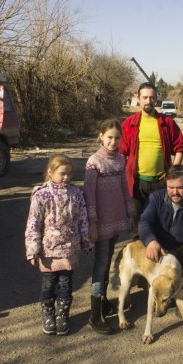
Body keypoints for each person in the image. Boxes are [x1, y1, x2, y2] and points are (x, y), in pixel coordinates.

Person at [25, 154, 92, 335]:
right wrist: (33, 250)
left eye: (69, 174)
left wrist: (86, 242)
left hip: (69, 249)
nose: (66, 178)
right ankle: (48, 313)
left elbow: (83, 220)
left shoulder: (76, 194)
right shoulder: (42, 195)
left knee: (65, 284)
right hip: (48, 252)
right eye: (62, 173)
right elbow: (33, 224)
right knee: (48, 284)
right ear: (50, 172)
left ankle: (63, 314)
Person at [84, 119, 136, 335]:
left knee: (106, 262)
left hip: (117, 219)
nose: (113, 142)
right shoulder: (94, 162)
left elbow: (125, 187)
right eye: (109, 137)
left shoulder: (120, 160)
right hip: (101, 222)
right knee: (100, 265)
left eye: (117, 138)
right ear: (101, 136)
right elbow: (89, 195)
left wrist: (130, 212)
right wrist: (93, 223)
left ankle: (104, 301)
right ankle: (95, 315)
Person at [119, 82, 183, 219]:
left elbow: (179, 148)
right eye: (144, 97)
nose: (148, 101)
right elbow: (121, 153)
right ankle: (138, 240)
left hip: (161, 183)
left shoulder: (167, 123)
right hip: (136, 183)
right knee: (136, 221)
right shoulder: (129, 124)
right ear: (139, 99)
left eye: (151, 97)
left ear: (156, 99)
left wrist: (172, 170)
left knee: (160, 221)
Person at [139, 165, 183, 290]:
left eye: (180, 187)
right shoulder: (155, 198)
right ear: (166, 184)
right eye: (171, 187)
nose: (175, 192)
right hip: (160, 247)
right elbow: (144, 222)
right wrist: (151, 241)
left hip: (181, 248)